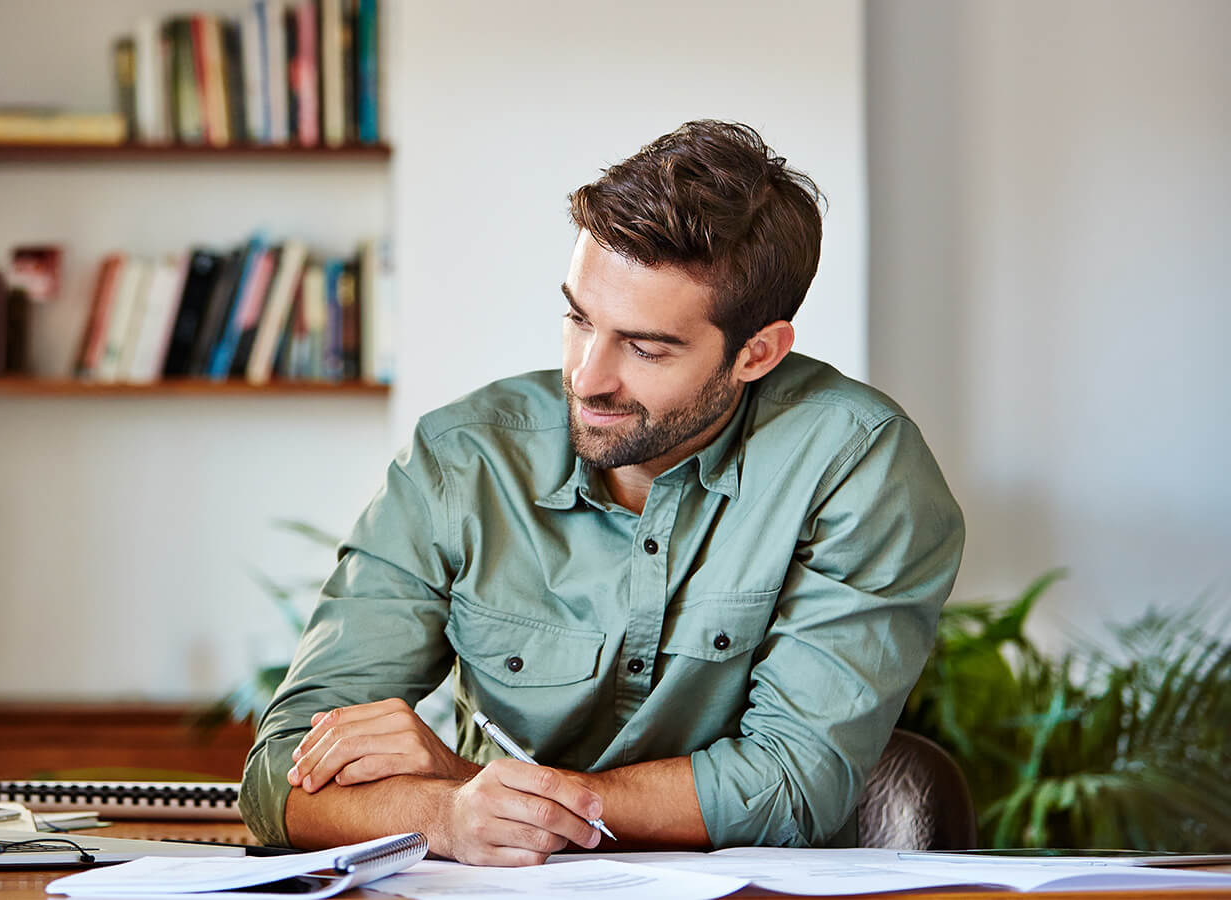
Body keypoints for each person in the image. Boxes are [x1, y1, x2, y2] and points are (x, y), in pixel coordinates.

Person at [238, 120, 965, 866]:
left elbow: (790, 787)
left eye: (646, 348)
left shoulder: (857, 463)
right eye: (579, 319)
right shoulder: (461, 461)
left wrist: (485, 787)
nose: (587, 378)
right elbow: (277, 778)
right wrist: (446, 814)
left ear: (757, 353)